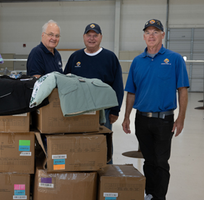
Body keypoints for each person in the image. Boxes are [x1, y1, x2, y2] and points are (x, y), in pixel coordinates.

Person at [122, 19, 189, 200]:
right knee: (149, 161)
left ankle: (160, 197)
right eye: (148, 32)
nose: (151, 36)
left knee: (160, 162)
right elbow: (131, 93)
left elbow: (183, 89)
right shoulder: (137, 61)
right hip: (141, 119)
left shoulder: (174, 59)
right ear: (144, 36)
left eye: (155, 32)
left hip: (163, 120)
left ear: (162, 35)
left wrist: (181, 118)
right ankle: (150, 194)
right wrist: (127, 116)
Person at [64, 23, 123, 164]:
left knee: (103, 143)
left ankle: (105, 170)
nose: (92, 38)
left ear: (100, 37)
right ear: (84, 37)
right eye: (89, 35)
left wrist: (115, 110)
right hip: (79, 112)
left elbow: (118, 86)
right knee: (81, 144)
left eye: (95, 35)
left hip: (104, 112)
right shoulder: (75, 57)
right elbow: (65, 82)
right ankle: (83, 172)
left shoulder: (110, 57)